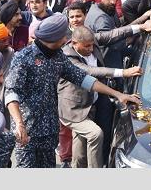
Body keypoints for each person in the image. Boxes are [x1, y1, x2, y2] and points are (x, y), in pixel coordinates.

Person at [4, 13, 141, 168]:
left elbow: (83, 79)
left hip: (49, 129)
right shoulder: (23, 58)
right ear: (53, 38)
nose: (66, 39)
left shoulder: (58, 56)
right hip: (27, 131)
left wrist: (118, 94)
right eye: (63, 36)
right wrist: (19, 123)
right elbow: (11, 92)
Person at [58, 26, 143, 168]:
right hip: (73, 109)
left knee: (80, 150)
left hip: (90, 104)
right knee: (95, 134)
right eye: (86, 46)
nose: (91, 49)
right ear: (74, 43)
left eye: (92, 45)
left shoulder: (91, 40)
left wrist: (141, 26)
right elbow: (91, 72)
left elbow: (114, 33)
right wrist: (123, 72)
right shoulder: (66, 56)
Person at [84, 0, 151, 69]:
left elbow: (120, 31)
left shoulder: (106, 9)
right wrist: (140, 29)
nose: (113, 2)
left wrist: (143, 18)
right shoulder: (100, 18)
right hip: (107, 68)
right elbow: (116, 43)